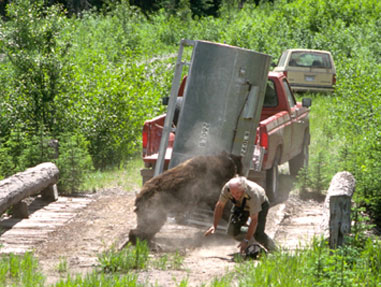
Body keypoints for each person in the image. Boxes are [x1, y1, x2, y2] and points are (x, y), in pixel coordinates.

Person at [204, 176, 276, 254]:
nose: (235, 195)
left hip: (260, 204)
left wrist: (246, 240)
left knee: (259, 234)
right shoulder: (227, 188)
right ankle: (250, 236)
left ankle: (275, 250)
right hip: (240, 205)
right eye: (233, 193)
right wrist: (214, 225)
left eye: (238, 193)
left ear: (243, 189)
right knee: (232, 231)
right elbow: (220, 206)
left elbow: (254, 220)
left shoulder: (252, 193)